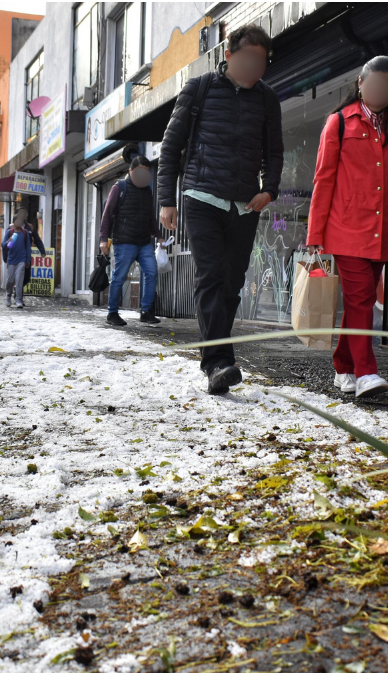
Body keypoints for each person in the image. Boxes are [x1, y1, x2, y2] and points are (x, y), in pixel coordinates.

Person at [157, 24, 284, 395]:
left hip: (245, 205)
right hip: (202, 198)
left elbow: (274, 153)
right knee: (211, 276)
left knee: (231, 284)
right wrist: (167, 200)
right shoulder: (199, 89)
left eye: (262, 61)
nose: (255, 67)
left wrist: (270, 190)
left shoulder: (267, 99)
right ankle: (219, 362)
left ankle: (218, 362)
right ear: (228, 55)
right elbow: (170, 147)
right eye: (248, 58)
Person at [306, 56, 388, 399]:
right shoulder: (338, 122)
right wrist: (314, 236)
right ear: (360, 83)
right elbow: (323, 180)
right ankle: (367, 372)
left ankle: (344, 366)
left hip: (381, 233)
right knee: (361, 301)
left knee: (361, 302)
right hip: (347, 230)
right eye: (376, 83)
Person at [99, 156, 163, 326]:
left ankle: (146, 311)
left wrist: (159, 235)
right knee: (119, 277)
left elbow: (151, 216)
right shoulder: (119, 187)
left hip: (144, 242)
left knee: (151, 272)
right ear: (130, 171)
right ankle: (112, 313)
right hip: (124, 241)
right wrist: (103, 239)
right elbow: (107, 214)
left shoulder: (147, 190)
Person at [1, 208, 45, 309]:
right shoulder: (9, 232)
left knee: (19, 280)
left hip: (22, 259)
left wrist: (28, 260)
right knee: (10, 281)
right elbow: (3, 245)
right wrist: (8, 242)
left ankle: (18, 300)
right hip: (11, 260)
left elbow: (29, 247)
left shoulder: (26, 232)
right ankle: (8, 295)